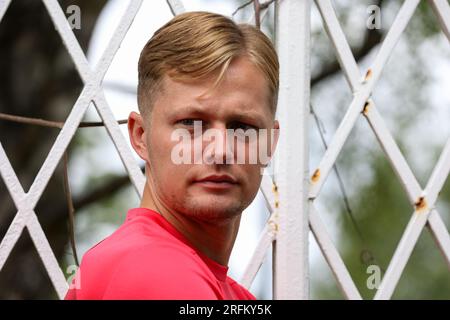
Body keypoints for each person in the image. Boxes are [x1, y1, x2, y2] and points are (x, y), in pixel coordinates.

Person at [65, 10, 279, 300]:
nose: (220, 151)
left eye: (242, 127)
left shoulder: (217, 287)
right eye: (191, 124)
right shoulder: (153, 270)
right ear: (141, 135)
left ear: (270, 142)